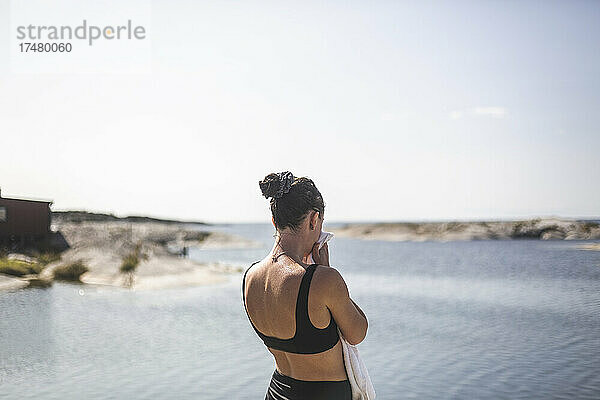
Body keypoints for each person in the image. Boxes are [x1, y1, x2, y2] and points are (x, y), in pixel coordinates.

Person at [242, 171, 368, 400]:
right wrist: (327, 272)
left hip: (277, 392)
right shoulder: (323, 281)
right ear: (314, 219)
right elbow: (358, 332)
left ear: (274, 221)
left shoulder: (251, 277)